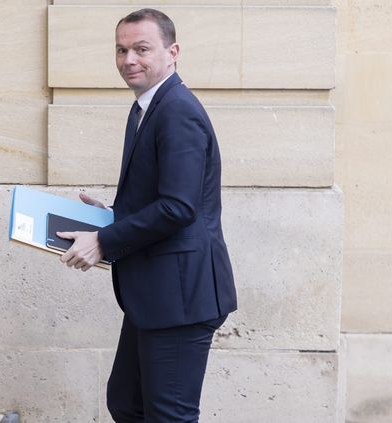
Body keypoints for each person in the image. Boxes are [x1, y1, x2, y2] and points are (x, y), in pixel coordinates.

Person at [57, 8, 238, 422]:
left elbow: (179, 206)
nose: (129, 60)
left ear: (172, 52)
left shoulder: (177, 110)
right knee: (127, 403)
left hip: (181, 297)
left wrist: (104, 240)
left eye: (142, 48)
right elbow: (165, 197)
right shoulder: (147, 106)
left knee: (167, 416)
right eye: (121, 50)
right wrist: (111, 216)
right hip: (156, 295)